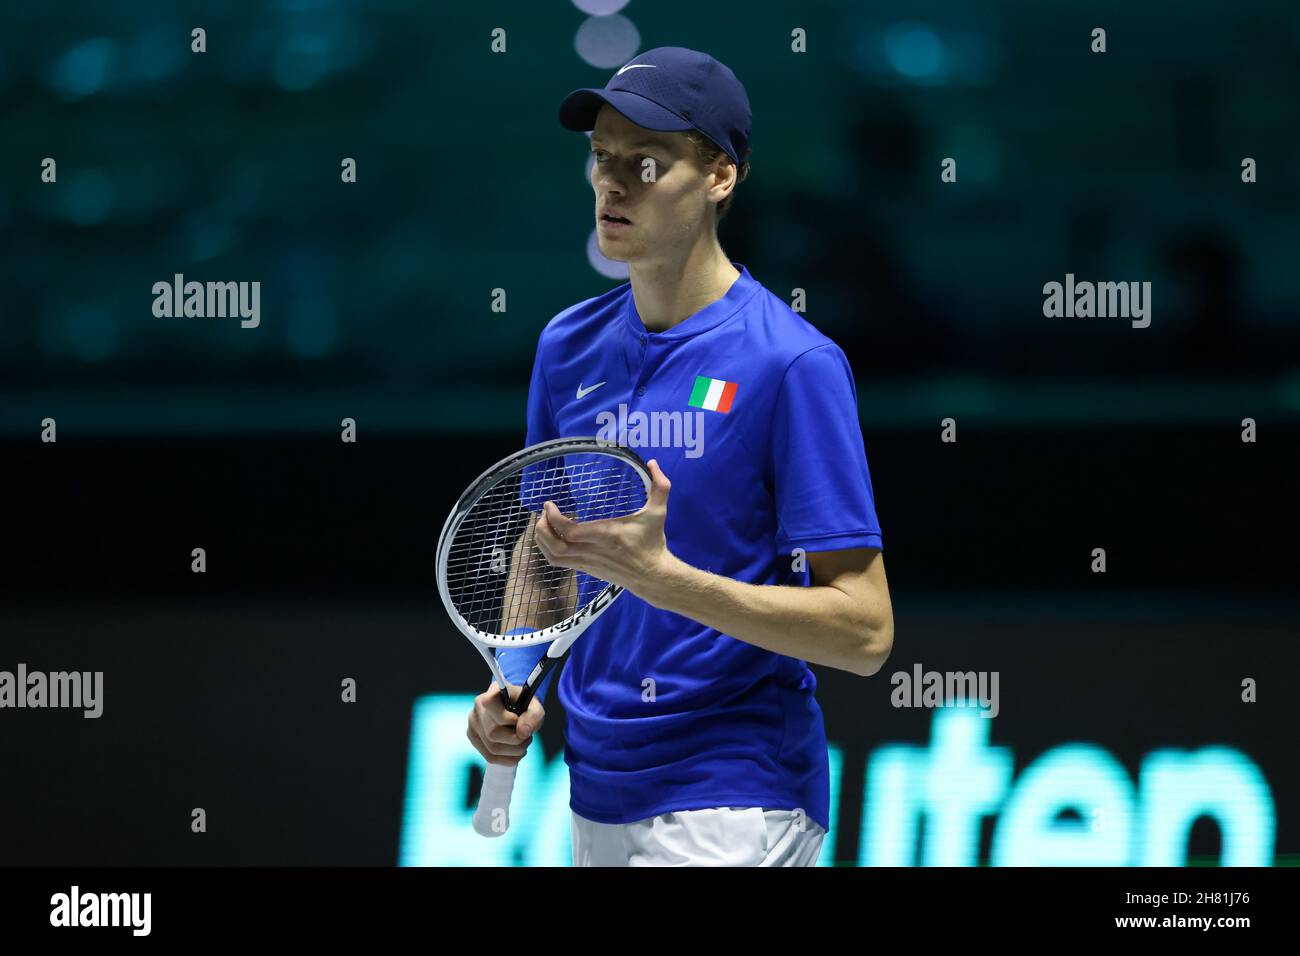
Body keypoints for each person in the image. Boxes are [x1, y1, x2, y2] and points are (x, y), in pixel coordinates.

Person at [466, 46, 893, 866]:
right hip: (596, 791)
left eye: (646, 164)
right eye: (600, 159)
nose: (611, 184)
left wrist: (665, 580)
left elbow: (866, 633)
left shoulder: (792, 365)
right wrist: (511, 680)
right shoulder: (566, 347)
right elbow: (545, 548)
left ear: (720, 177)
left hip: (736, 796)